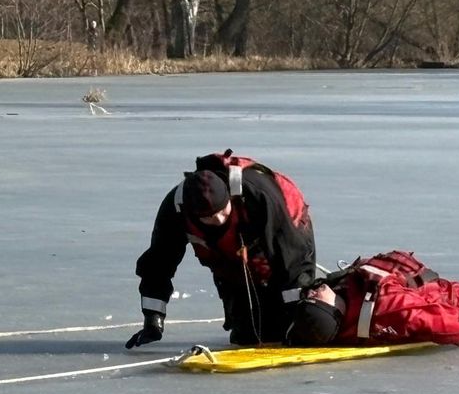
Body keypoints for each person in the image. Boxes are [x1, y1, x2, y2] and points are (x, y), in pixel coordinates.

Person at [126, 150, 317, 349]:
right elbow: (158, 265)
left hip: (287, 228)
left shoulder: (258, 197)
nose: (218, 220)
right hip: (230, 258)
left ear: (230, 198)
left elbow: (293, 263)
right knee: (246, 336)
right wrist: (153, 319)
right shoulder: (174, 212)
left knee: (288, 322)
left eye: (222, 211)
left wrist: (297, 319)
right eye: (208, 218)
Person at [283, 251, 459, 348]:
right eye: (314, 299)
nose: (312, 292)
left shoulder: (343, 295)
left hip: (421, 290)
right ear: (332, 312)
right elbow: (443, 323)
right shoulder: (388, 311)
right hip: (437, 301)